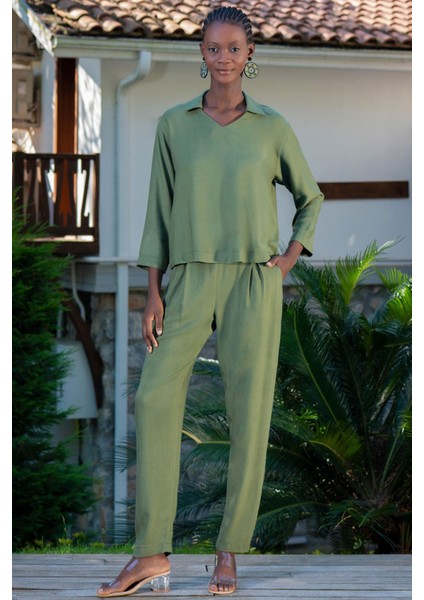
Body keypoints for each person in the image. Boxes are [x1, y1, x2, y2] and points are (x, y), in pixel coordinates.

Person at [97, 5, 323, 597]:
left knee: (249, 413)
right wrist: (152, 291)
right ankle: (151, 553)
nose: (223, 58)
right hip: (189, 278)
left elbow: (311, 197)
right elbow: (158, 211)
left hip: (252, 280)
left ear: (250, 56)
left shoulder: (272, 128)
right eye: (213, 48)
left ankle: (228, 551)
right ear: (201, 53)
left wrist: (286, 261)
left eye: (233, 49)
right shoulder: (175, 125)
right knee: (153, 397)